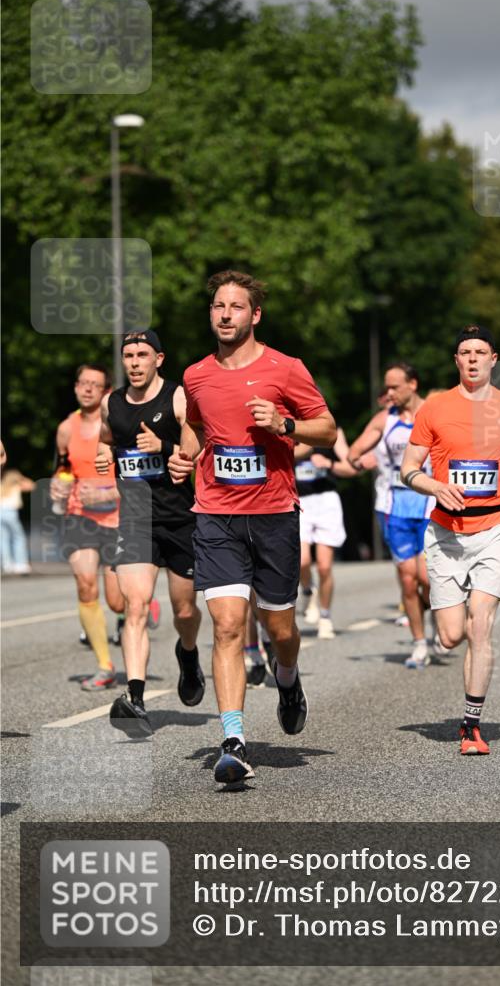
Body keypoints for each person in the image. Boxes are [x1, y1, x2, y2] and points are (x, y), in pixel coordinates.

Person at [168, 269, 336, 784]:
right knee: (226, 625)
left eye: (235, 307)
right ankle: (234, 740)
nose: (224, 314)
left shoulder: (286, 369)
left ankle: (288, 677)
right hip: (216, 514)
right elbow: (197, 427)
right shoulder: (196, 375)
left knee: (279, 629)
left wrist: (285, 425)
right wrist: (184, 457)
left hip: (273, 517)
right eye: (218, 306)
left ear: (254, 315)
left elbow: (327, 429)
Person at [400, 325, 500, 755]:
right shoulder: (434, 409)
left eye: (480, 352)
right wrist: (433, 486)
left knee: (480, 625)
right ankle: (453, 630)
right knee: (450, 636)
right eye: (465, 352)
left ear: (493, 359)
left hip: (497, 527)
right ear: (456, 361)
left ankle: (471, 726)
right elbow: (409, 468)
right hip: (446, 531)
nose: (472, 359)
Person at [95, 330, 204, 739]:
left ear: (159, 359)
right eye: (128, 355)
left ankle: (188, 654)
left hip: (179, 519)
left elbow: (194, 442)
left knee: (184, 612)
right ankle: (135, 697)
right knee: (135, 607)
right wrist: (105, 454)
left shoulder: (176, 396)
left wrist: (168, 445)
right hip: (136, 519)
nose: (135, 362)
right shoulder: (113, 403)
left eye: (142, 354)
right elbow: (108, 440)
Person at [347, 363, 435, 667]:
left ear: (413, 384)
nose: (389, 393)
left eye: (395, 387)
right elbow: (353, 452)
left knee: (428, 577)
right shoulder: (385, 419)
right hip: (393, 507)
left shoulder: (435, 412)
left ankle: (442, 614)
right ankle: (420, 643)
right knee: (408, 580)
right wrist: (362, 461)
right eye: (387, 387)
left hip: (430, 506)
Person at [50, 365, 125, 690]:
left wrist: (114, 490)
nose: (88, 389)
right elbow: (63, 468)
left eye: (95, 384)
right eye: (83, 383)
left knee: (117, 602)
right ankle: (104, 665)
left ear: (106, 390)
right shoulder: (66, 427)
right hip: (80, 516)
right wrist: (58, 485)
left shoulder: (119, 424)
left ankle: (138, 605)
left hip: (119, 518)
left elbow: (136, 470)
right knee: (84, 586)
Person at [295, 427, 355, 639]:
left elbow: (351, 467)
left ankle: (325, 617)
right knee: (302, 561)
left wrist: (329, 464)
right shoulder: (286, 428)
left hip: (326, 500)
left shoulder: (331, 431)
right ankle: (309, 590)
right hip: (298, 501)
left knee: (324, 566)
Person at [0, 440, 35, 575]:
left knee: (3, 538)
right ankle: (21, 564)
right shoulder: (13, 476)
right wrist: (19, 482)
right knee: (18, 537)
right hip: (10, 511)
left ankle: (7, 564)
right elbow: (31, 485)